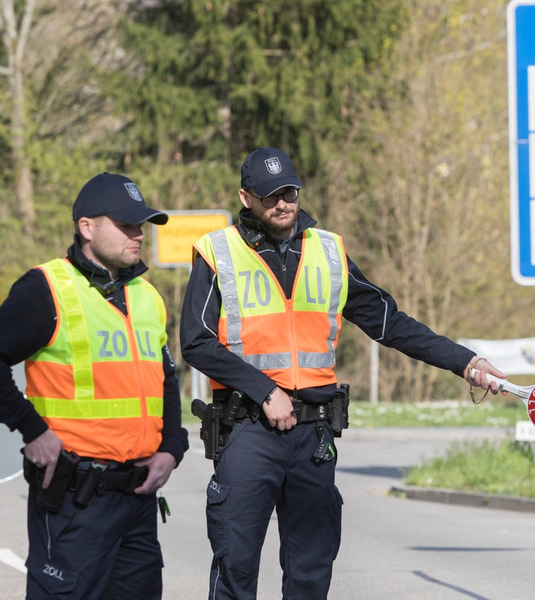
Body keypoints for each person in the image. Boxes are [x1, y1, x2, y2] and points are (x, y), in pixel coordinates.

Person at [180, 147, 505, 600]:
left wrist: (465, 362)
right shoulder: (218, 252)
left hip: (312, 433)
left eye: (290, 192)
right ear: (246, 197)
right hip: (247, 430)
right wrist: (263, 390)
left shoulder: (328, 250)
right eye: (271, 195)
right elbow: (195, 341)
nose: (283, 204)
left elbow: (390, 322)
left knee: (311, 573)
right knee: (236, 570)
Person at [0, 173, 189, 599]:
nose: (138, 235)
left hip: (138, 500)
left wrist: (172, 447)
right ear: (87, 227)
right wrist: (31, 429)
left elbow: (165, 379)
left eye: (141, 225)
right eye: (125, 225)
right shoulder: (46, 289)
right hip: (74, 502)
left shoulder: (146, 295)